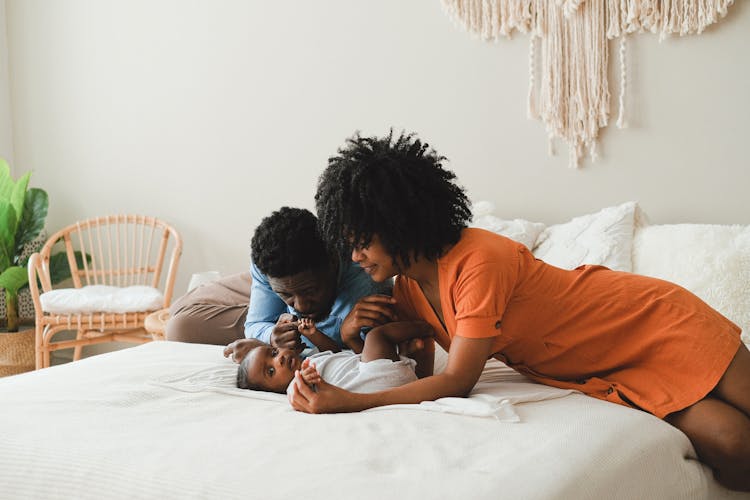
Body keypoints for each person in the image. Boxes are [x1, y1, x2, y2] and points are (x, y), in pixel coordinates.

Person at [288, 130, 750, 492]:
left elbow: (457, 381)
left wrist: (349, 402)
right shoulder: (406, 290)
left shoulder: (478, 259)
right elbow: (414, 373)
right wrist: (355, 335)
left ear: (396, 223)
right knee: (734, 445)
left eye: (362, 242)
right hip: (611, 373)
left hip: (649, 320)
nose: (355, 258)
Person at [167, 207, 399, 360]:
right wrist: (271, 335)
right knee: (177, 311)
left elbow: (376, 363)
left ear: (332, 262)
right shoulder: (269, 268)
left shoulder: (368, 286)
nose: (301, 306)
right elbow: (259, 321)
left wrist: (349, 337)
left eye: (310, 291)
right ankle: (280, 297)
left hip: (305, 293)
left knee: (179, 327)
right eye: (288, 297)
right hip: (271, 284)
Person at [231, 320, 434, 395]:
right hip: (373, 379)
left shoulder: (310, 359)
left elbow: (334, 351)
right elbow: (307, 394)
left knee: (398, 349)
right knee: (376, 336)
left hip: (375, 375)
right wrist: (308, 381)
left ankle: (409, 360)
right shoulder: (295, 386)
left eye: (274, 353)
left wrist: (314, 335)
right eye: (271, 371)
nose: (279, 360)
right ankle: (427, 325)